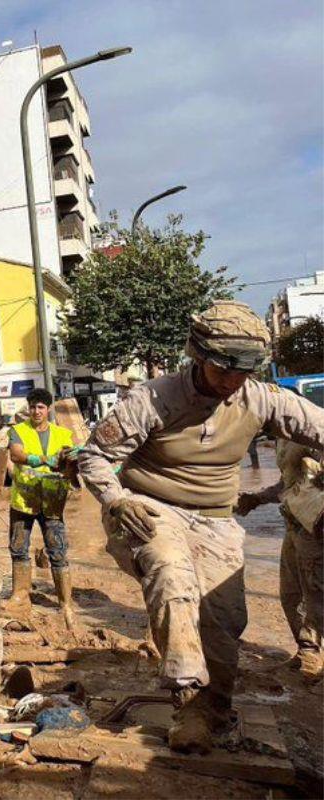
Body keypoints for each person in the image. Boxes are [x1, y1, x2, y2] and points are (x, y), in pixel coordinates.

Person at [79, 300, 324, 754]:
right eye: (222, 370)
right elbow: (92, 456)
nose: (232, 382)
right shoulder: (152, 399)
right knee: (172, 578)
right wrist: (115, 500)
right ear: (197, 355)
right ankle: (187, 700)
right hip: (150, 507)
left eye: (243, 371)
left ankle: (214, 708)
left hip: (216, 519)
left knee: (224, 619)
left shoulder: (261, 398)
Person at [237, 438, 323, 682]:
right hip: (295, 524)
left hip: (315, 528)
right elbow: (288, 485)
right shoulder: (282, 438)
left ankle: (311, 652)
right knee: (290, 596)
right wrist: (257, 498)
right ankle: (304, 649)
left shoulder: (310, 430)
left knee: (316, 593)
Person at [0, 387, 77, 626]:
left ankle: (65, 602)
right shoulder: (18, 431)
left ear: (48, 409)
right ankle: (20, 596)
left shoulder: (63, 434)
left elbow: (69, 465)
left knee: (57, 550)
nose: (36, 411)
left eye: (41, 407)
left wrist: (67, 462)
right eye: (32, 406)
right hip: (24, 499)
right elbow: (16, 455)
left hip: (52, 501)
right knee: (19, 548)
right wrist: (43, 459)